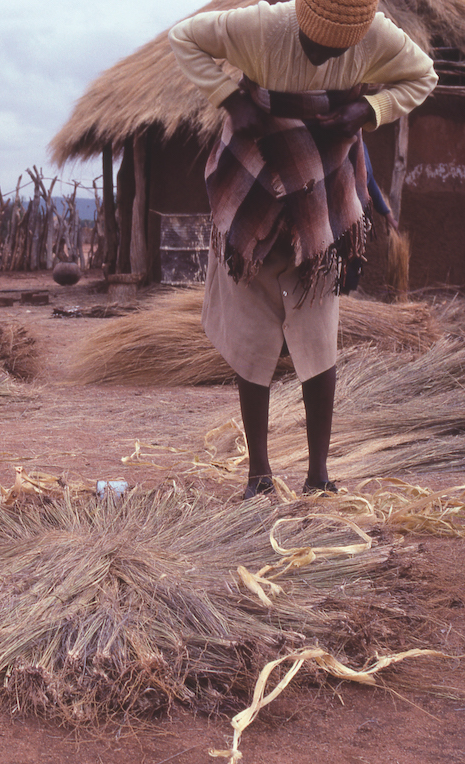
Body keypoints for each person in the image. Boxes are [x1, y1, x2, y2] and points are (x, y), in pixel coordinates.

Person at [169, 0, 436, 499]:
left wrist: (368, 110)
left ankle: (318, 474)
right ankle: (259, 474)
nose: (323, 56)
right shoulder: (262, 26)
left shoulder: (377, 35)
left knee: (318, 337)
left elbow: (424, 76)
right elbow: (183, 37)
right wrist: (231, 98)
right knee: (251, 336)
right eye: (316, 43)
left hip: (322, 205)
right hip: (253, 185)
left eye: (338, 48)